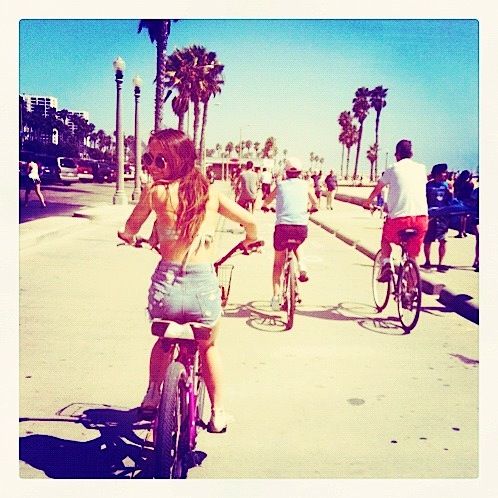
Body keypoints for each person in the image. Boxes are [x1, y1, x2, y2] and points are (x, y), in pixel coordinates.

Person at [117, 129, 258, 433]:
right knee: (208, 347)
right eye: (148, 159)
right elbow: (251, 222)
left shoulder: (155, 194)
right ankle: (219, 412)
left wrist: (130, 237)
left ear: (177, 161)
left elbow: (130, 227)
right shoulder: (211, 194)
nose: (151, 166)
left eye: (158, 160)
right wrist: (251, 240)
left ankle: (153, 394)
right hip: (202, 288)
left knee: (164, 341)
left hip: (165, 289)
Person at [363, 139, 428, 282]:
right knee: (412, 257)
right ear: (411, 154)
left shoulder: (393, 168)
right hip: (421, 220)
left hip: (399, 220)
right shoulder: (421, 168)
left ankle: (386, 264)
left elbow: (378, 188)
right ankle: (411, 292)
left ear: (397, 155)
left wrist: (367, 202)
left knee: (385, 240)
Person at [262, 157, 318, 311]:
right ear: (300, 173)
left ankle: (275, 297)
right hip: (300, 228)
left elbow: (266, 201)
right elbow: (316, 203)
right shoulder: (306, 185)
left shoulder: (280, 185)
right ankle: (301, 265)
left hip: (282, 228)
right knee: (297, 243)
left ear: (286, 172)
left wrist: (266, 206)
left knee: (277, 264)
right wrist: (310, 209)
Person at [422, 163, 453, 272]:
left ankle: (441, 263)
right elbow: (423, 200)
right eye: (443, 172)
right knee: (428, 241)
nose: (445, 174)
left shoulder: (446, 186)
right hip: (431, 217)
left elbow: (450, 201)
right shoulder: (428, 186)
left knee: (443, 240)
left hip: (443, 218)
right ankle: (427, 261)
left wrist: (451, 193)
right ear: (437, 173)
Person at [454, 170, 474, 238]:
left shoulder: (459, 182)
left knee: (461, 217)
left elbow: (456, 191)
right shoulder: (470, 183)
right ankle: (463, 231)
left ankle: (460, 232)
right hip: (467, 201)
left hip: (460, 200)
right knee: (464, 217)